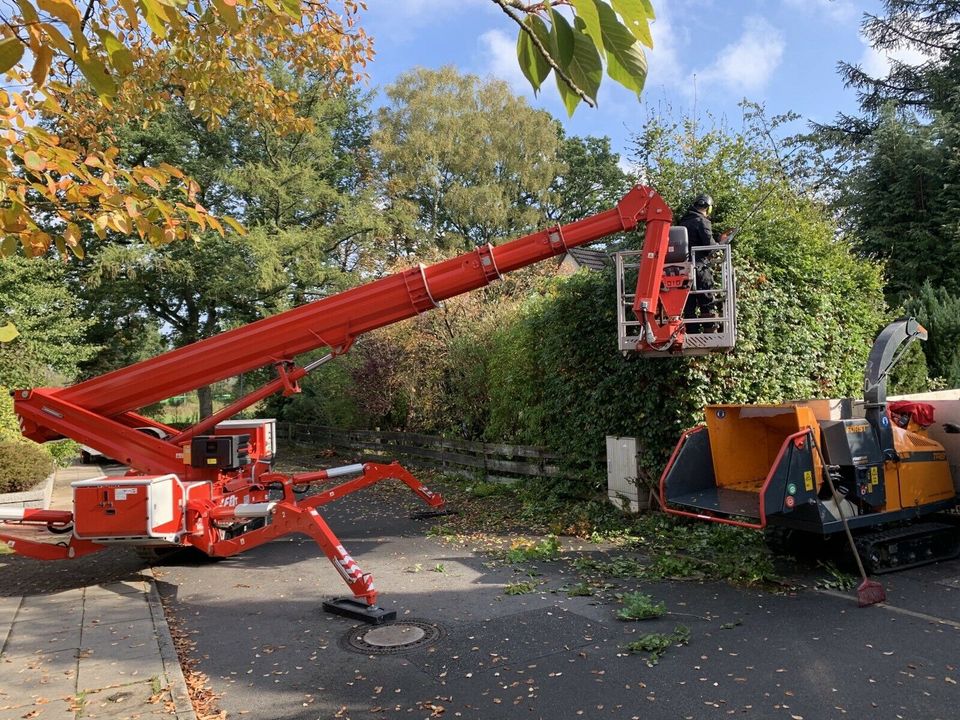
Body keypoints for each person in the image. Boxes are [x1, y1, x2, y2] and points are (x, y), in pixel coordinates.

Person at [678, 194, 729, 331]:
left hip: (682, 268)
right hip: (699, 266)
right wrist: (721, 242)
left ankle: (692, 330)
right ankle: (710, 328)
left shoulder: (683, 221)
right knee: (706, 295)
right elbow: (709, 246)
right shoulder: (702, 221)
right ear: (709, 208)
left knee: (688, 300)